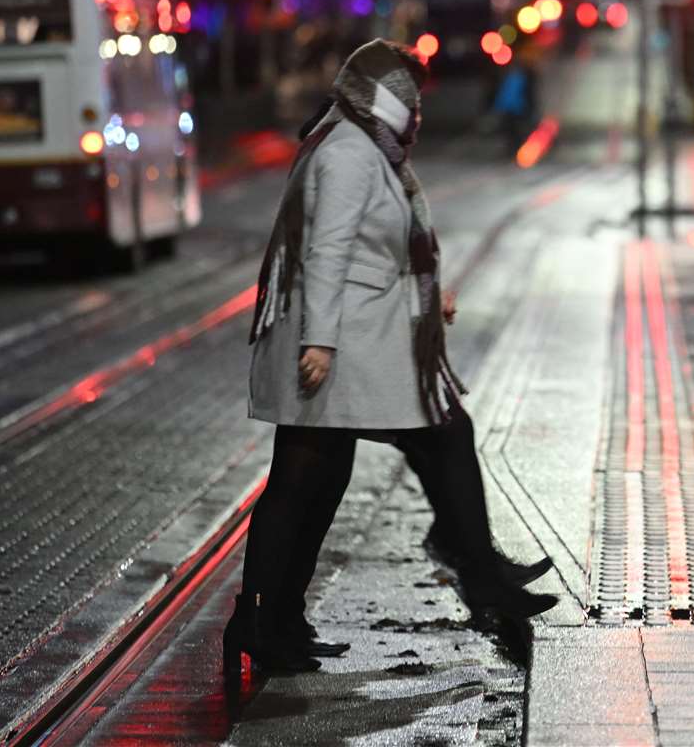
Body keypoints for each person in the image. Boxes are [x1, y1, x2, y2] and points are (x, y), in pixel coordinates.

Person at [229, 40, 554, 680]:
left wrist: (425, 298)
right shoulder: (351, 152)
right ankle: (478, 571)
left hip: (355, 338)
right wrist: (318, 341)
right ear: (386, 97)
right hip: (337, 347)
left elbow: (372, 257)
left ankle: (271, 621)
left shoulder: (360, 145)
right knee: (436, 436)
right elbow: (327, 253)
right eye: (413, 97)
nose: (419, 111)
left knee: (310, 482)